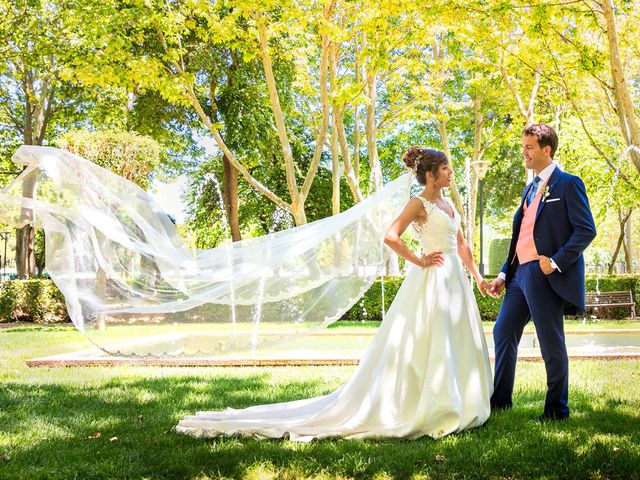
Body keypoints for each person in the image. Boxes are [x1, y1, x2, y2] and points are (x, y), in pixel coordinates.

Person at [176, 147, 493, 441]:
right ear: (430, 174)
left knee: (457, 340)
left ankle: (459, 401)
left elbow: (461, 243)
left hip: (456, 282)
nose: (450, 173)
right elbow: (390, 236)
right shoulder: (418, 204)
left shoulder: (449, 204)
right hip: (432, 280)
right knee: (431, 342)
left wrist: (477, 276)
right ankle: (429, 406)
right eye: (445, 168)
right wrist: (419, 259)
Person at [488, 124, 596, 421]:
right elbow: (520, 235)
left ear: (546, 150)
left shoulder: (568, 184)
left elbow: (586, 230)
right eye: (523, 147)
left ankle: (556, 410)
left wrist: (557, 261)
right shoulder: (530, 187)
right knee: (503, 331)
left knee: (550, 341)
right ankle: (499, 402)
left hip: (544, 274)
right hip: (519, 274)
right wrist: (502, 273)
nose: (523, 152)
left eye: (529, 148)